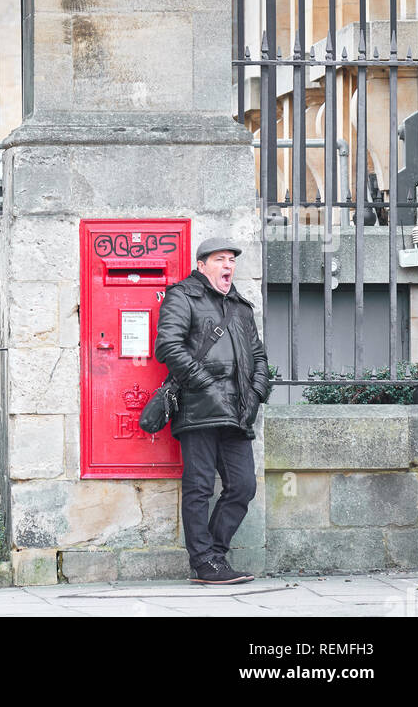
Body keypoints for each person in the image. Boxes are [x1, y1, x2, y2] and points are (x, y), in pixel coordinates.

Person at [154, 237, 269, 585]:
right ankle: (204, 562)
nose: (228, 266)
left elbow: (259, 356)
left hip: (237, 412)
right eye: (220, 259)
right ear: (202, 265)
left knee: (243, 486)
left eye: (232, 260)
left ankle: (214, 556)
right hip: (199, 409)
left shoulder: (241, 306)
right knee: (199, 487)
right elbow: (167, 346)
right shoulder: (182, 296)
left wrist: (257, 392)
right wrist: (205, 383)